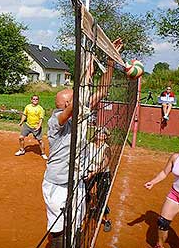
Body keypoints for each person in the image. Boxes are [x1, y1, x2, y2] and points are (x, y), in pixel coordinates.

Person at [42, 38, 122, 248]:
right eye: (75, 100)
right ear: (66, 104)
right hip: (57, 185)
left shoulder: (81, 112)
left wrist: (111, 61)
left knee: (76, 229)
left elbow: (102, 91)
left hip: (76, 182)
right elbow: (75, 105)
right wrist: (86, 72)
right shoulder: (55, 120)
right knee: (59, 232)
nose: (84, 102)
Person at [144, 136, 179, 248]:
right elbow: (164, 172)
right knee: (162, 222)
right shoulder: (175, 157)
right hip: (175, 194)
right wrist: (153, 182)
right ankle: (160, 245)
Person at [86, 127, 112, 232]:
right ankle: (88, 210)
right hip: (90, 172)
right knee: (84, 192)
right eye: (98, 132)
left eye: (103, 133)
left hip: (102, 174)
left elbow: (105, 164)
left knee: (101, 197)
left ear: (105, 137)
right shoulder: (90, 145)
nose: (100, 134)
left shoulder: (106, 148)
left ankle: (107, 220)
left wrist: (94, 172)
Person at [15, 95, 47, 160]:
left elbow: (41, 118)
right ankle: (22, 150)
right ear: (31, 100)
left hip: (36, 127)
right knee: (21, 137)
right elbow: (24, 115)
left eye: (36, 99)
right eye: (34, 99)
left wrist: (39, 126)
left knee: (40, 141)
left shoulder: (40, 109)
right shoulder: (28, 107)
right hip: (27, 125)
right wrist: (21, 122)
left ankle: (43, 153)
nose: (35, 100)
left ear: (38, 100)